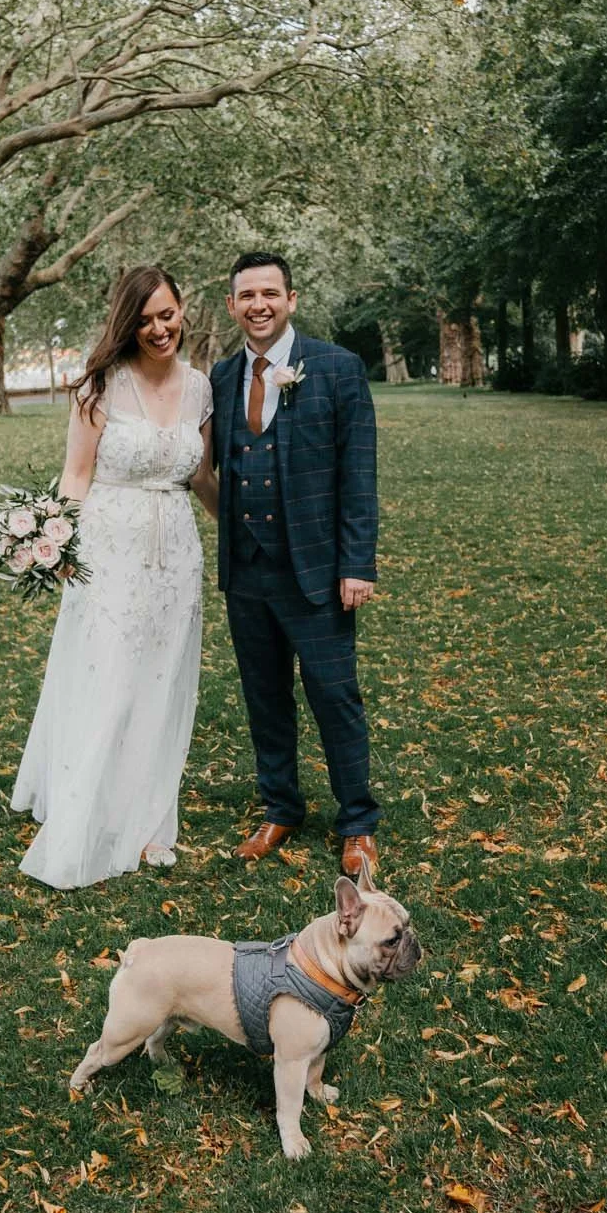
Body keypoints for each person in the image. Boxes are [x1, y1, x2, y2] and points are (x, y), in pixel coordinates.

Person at [15, 266, 217, 890]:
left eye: (168, 314)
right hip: (109, 547)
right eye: (147, 319)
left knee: (161, 680)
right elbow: (76, 474)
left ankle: (151, 816)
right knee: (109, 678)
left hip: (176, 551)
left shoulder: (202, 388)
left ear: (183, 311)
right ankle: (86, 812)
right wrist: (59, 541)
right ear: (127, 324)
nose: (160, 329)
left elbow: (203, 478)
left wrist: (248, 530)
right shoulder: (98, 388)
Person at [207, 252, 383, 878]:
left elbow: (357, 474)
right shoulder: (223, 377)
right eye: (246, 295)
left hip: (317, 569)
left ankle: (357, 821)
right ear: (232, 306)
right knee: (264, 695)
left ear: (291, 299)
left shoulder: (337, 368)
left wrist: (356, 563)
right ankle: (281, 806)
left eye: (270, 293)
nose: (258, 305)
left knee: (334, 695)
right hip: (247, 571)